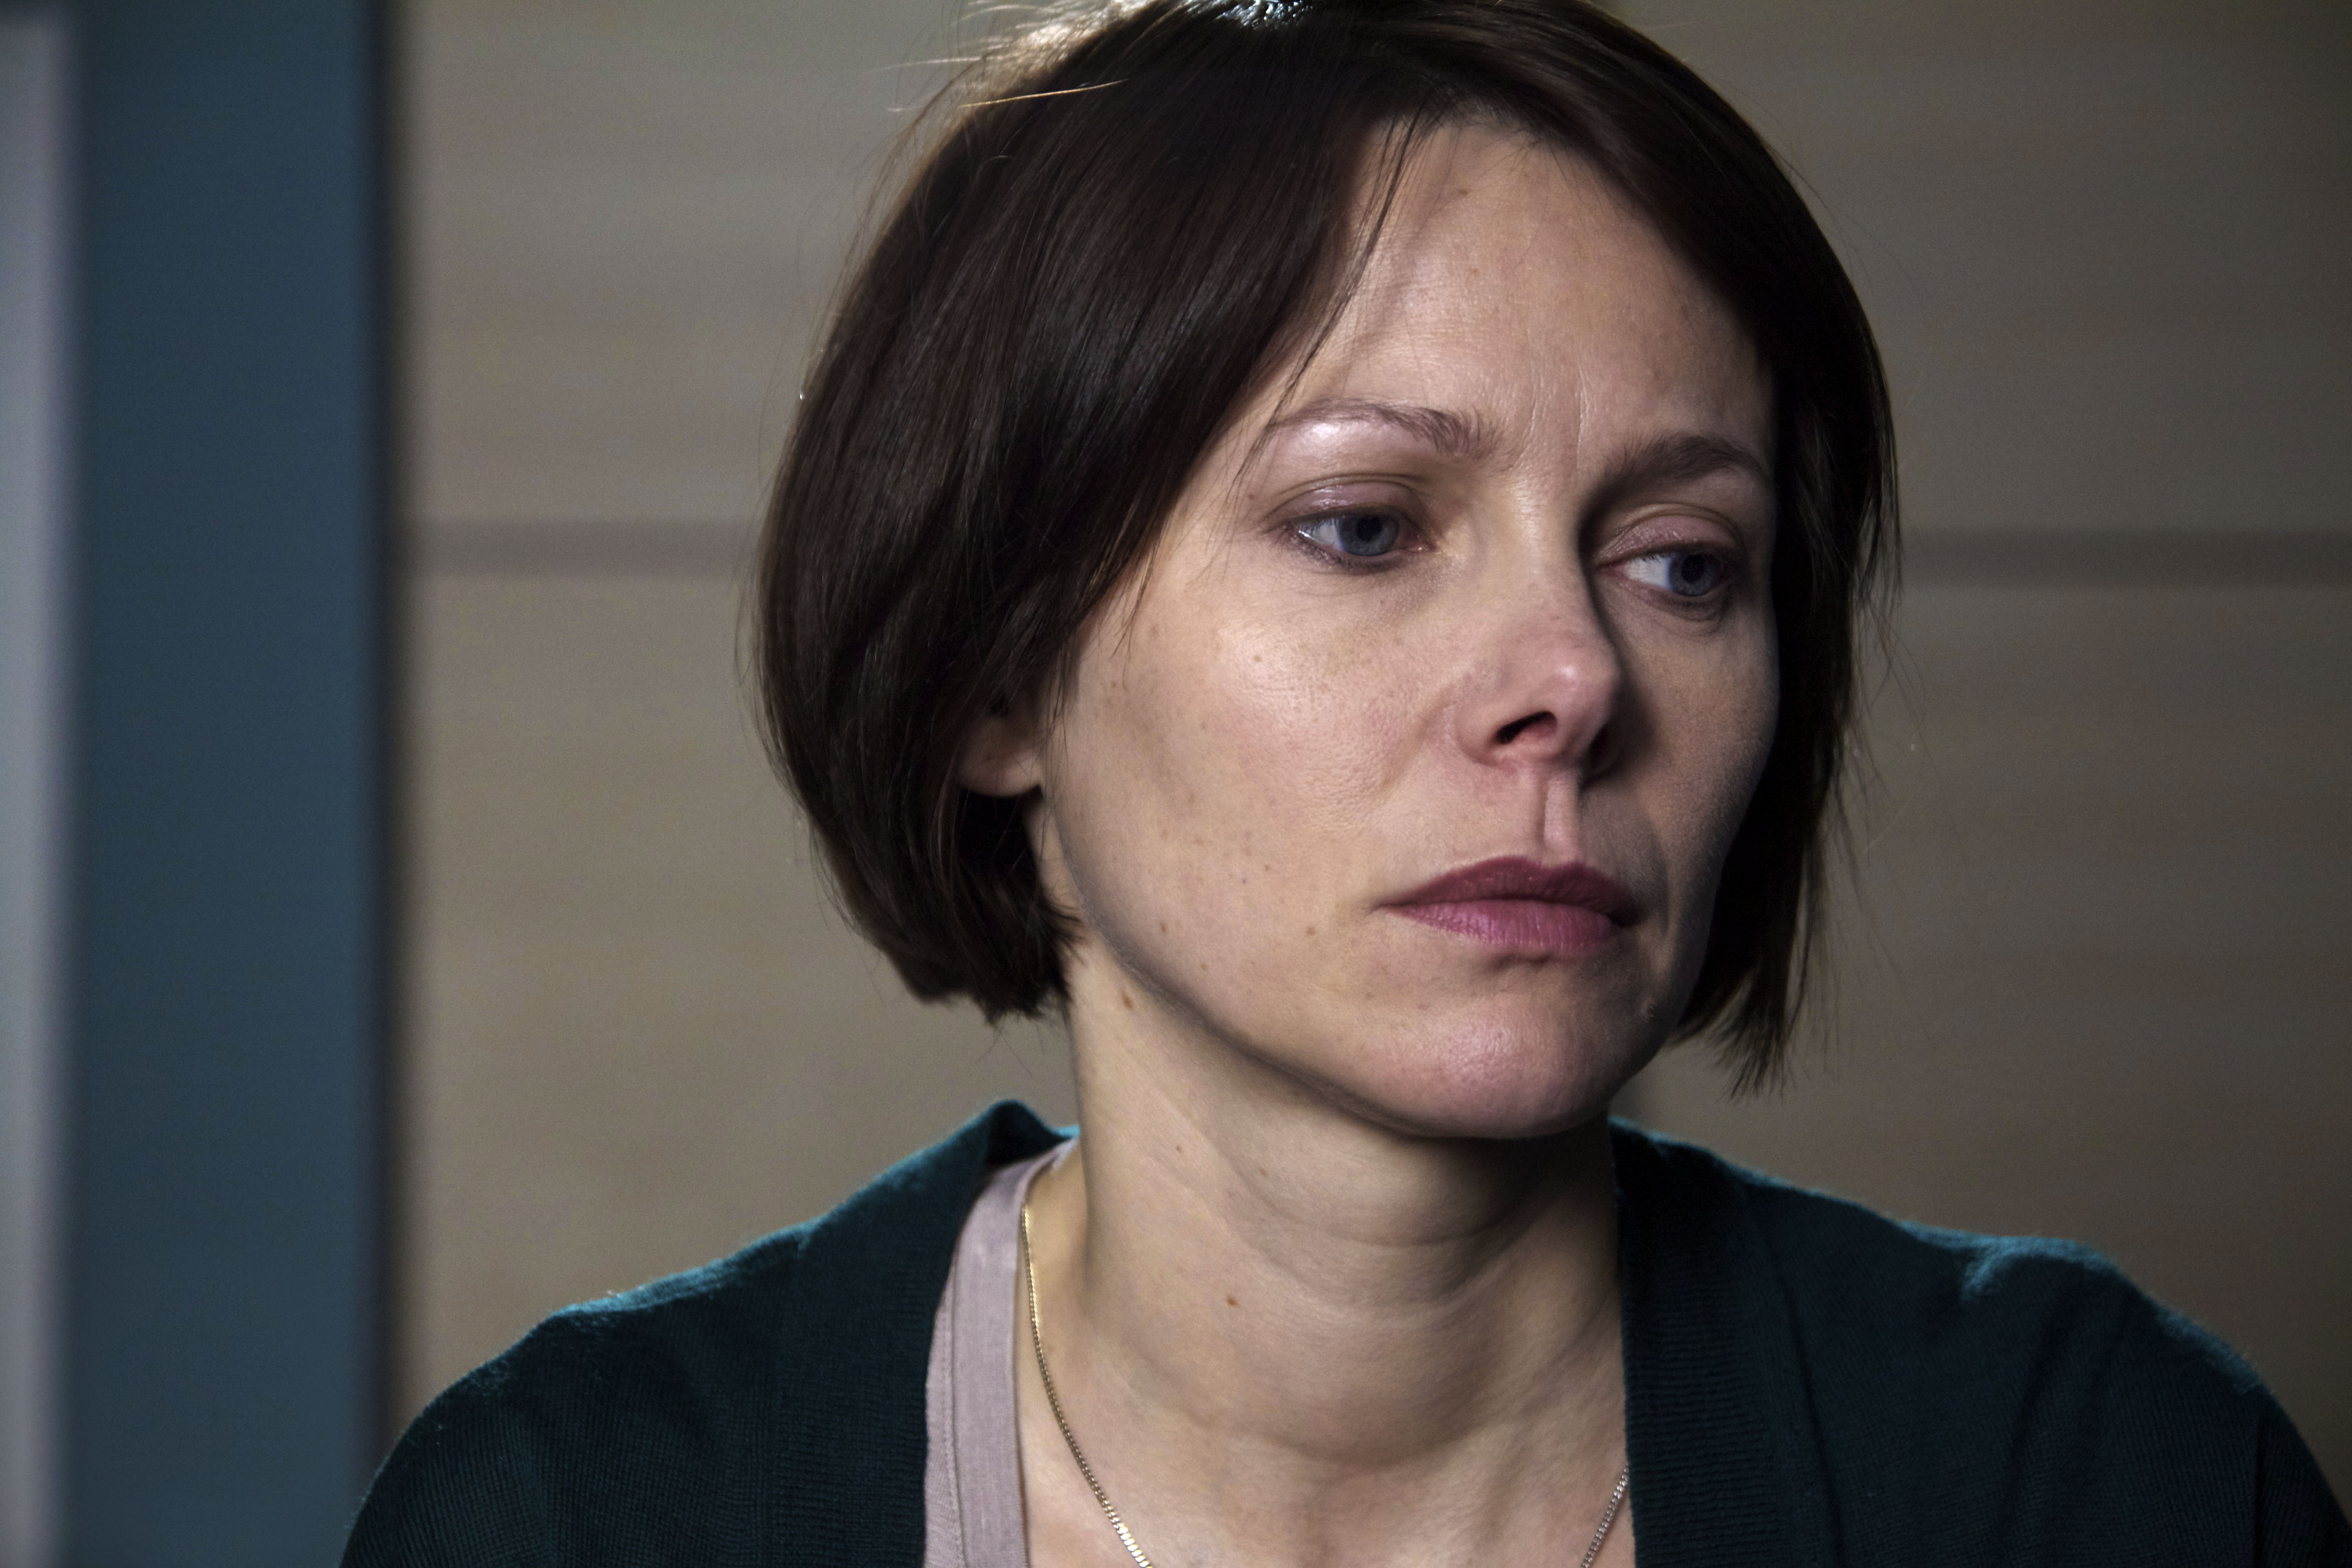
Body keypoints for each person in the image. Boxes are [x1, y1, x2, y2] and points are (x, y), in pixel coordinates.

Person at [343, 1, 2350, 1563]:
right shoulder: (576, 1513)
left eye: (1683, 564)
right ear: (998, 669)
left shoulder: (2100, 1477)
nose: (1577, 678)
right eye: (1367, 528)